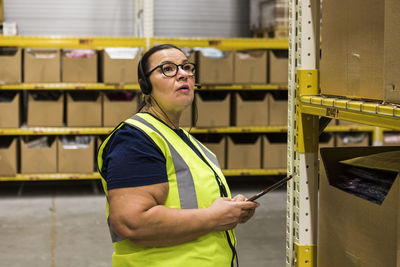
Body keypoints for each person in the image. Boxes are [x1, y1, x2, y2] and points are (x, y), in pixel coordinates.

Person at [97, 44, 259, 267]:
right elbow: (131, 222)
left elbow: (192, 203)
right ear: (146, 84)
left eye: (186, 67)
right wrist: (214, 217)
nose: (183, 74)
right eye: (168, 69)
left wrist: (230, 209)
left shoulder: (188, 142)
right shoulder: (135, 139)